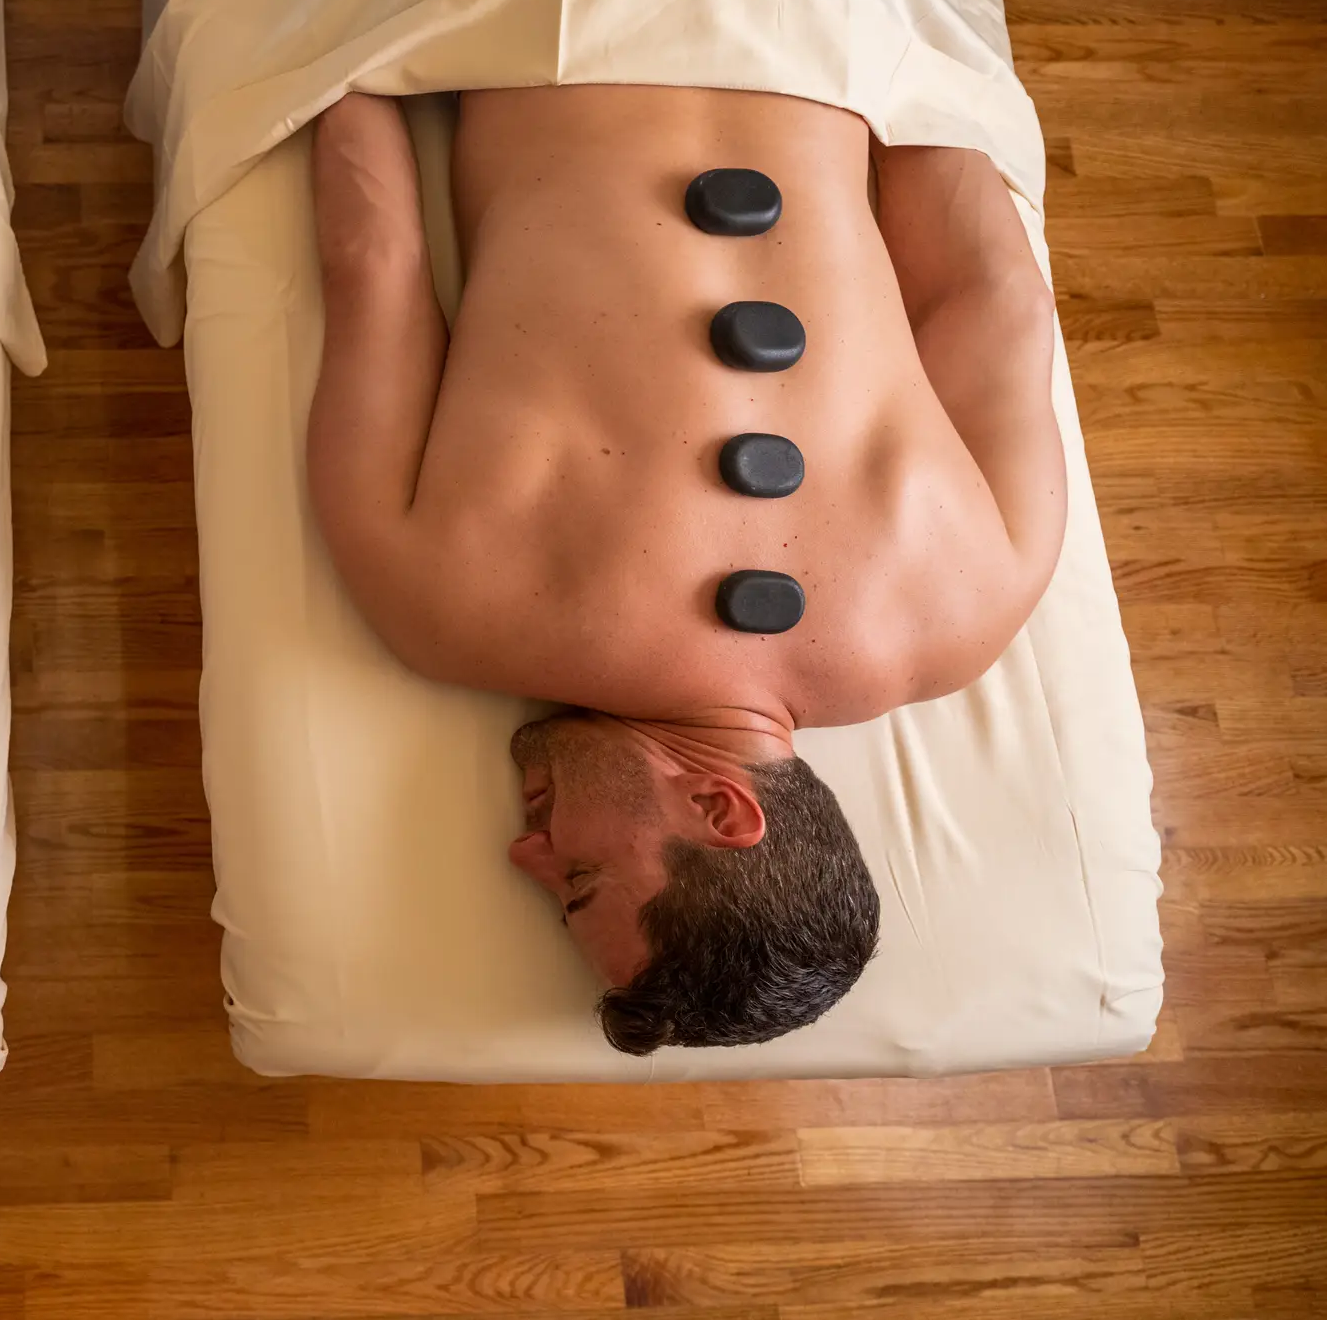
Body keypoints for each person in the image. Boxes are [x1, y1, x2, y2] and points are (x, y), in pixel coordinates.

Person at [306, 84, 1065, 1053]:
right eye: (578, 881)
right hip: (541, 9)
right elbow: (369, 261)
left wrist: (884, 24)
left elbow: (994, 294)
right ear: (718, 807)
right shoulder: (449, 613)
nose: (525, 851)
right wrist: (327, 37)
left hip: (808, 23)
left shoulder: (974, 606)